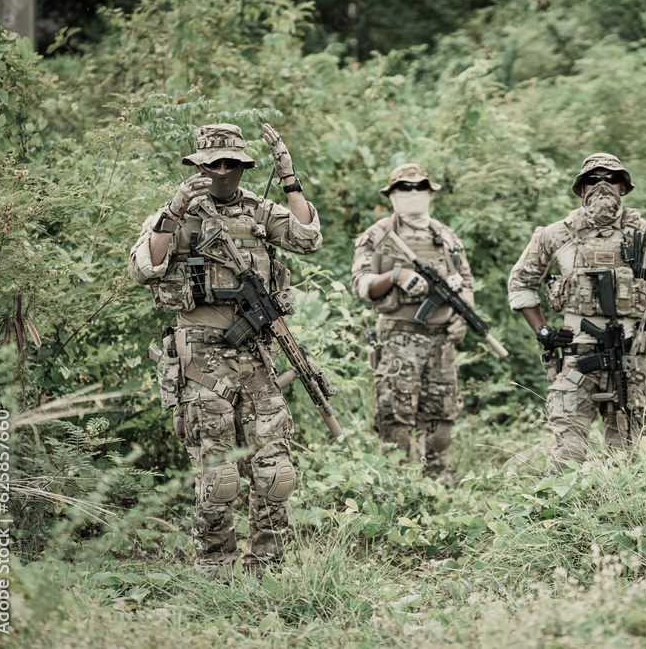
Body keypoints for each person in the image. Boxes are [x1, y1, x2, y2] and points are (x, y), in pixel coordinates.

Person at [128, 123, 322, 580]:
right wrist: (173, 212)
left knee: (276, 472)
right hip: (199, 359)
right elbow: (143, 268)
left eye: (230, 163)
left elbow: (308, 239)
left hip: (255, 356)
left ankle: (266, 569)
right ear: (197, 164)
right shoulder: (175, 213)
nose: (221, 171)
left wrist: (289, 176)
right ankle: (215, 570)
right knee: (218, 477)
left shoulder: (259, 210)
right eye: (212, 163)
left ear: (242, 165)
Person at [507, 153, 646, 474]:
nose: (602, 185)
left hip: (630, 360)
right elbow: (521, 283)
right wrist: (543, 332)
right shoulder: (557, 234)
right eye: (593, 179)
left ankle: (622, 520)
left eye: (610, 178)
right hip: (575, 362)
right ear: (582, 189)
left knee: (626, 458)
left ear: (623, 187)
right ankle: (560, 520)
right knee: (567, 454)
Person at [350, 164, 474, 488]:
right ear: (391, 195)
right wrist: (396, 276)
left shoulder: (446, 236)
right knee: (395, 414)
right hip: (398, 336)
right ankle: (397, 486)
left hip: (441, 339)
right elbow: (360, 285)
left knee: (441, 413)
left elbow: (467, 283)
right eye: (404, 188)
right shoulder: (377, 235)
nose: (413, 194)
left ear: (431, 192)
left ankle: (438, 484)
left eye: (420, 187)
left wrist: (463, 317)